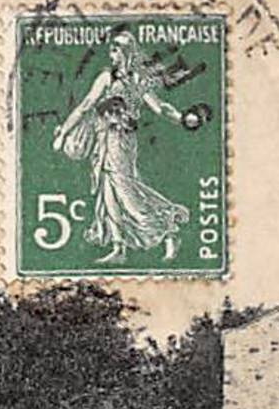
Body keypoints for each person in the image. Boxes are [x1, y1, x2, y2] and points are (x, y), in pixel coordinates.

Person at [51, 29, 192, 264]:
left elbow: (160, 108)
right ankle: (119, 247)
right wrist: (63, 133)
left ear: (127, 53)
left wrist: (181, 118)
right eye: (112, 50)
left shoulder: (139, 81)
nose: (112, 55)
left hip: (123, 141)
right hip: (103, 139)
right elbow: (86, 105)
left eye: (116, 50)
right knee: (108, 192)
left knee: (126, 192)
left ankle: (168, 230)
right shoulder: (107, 78)